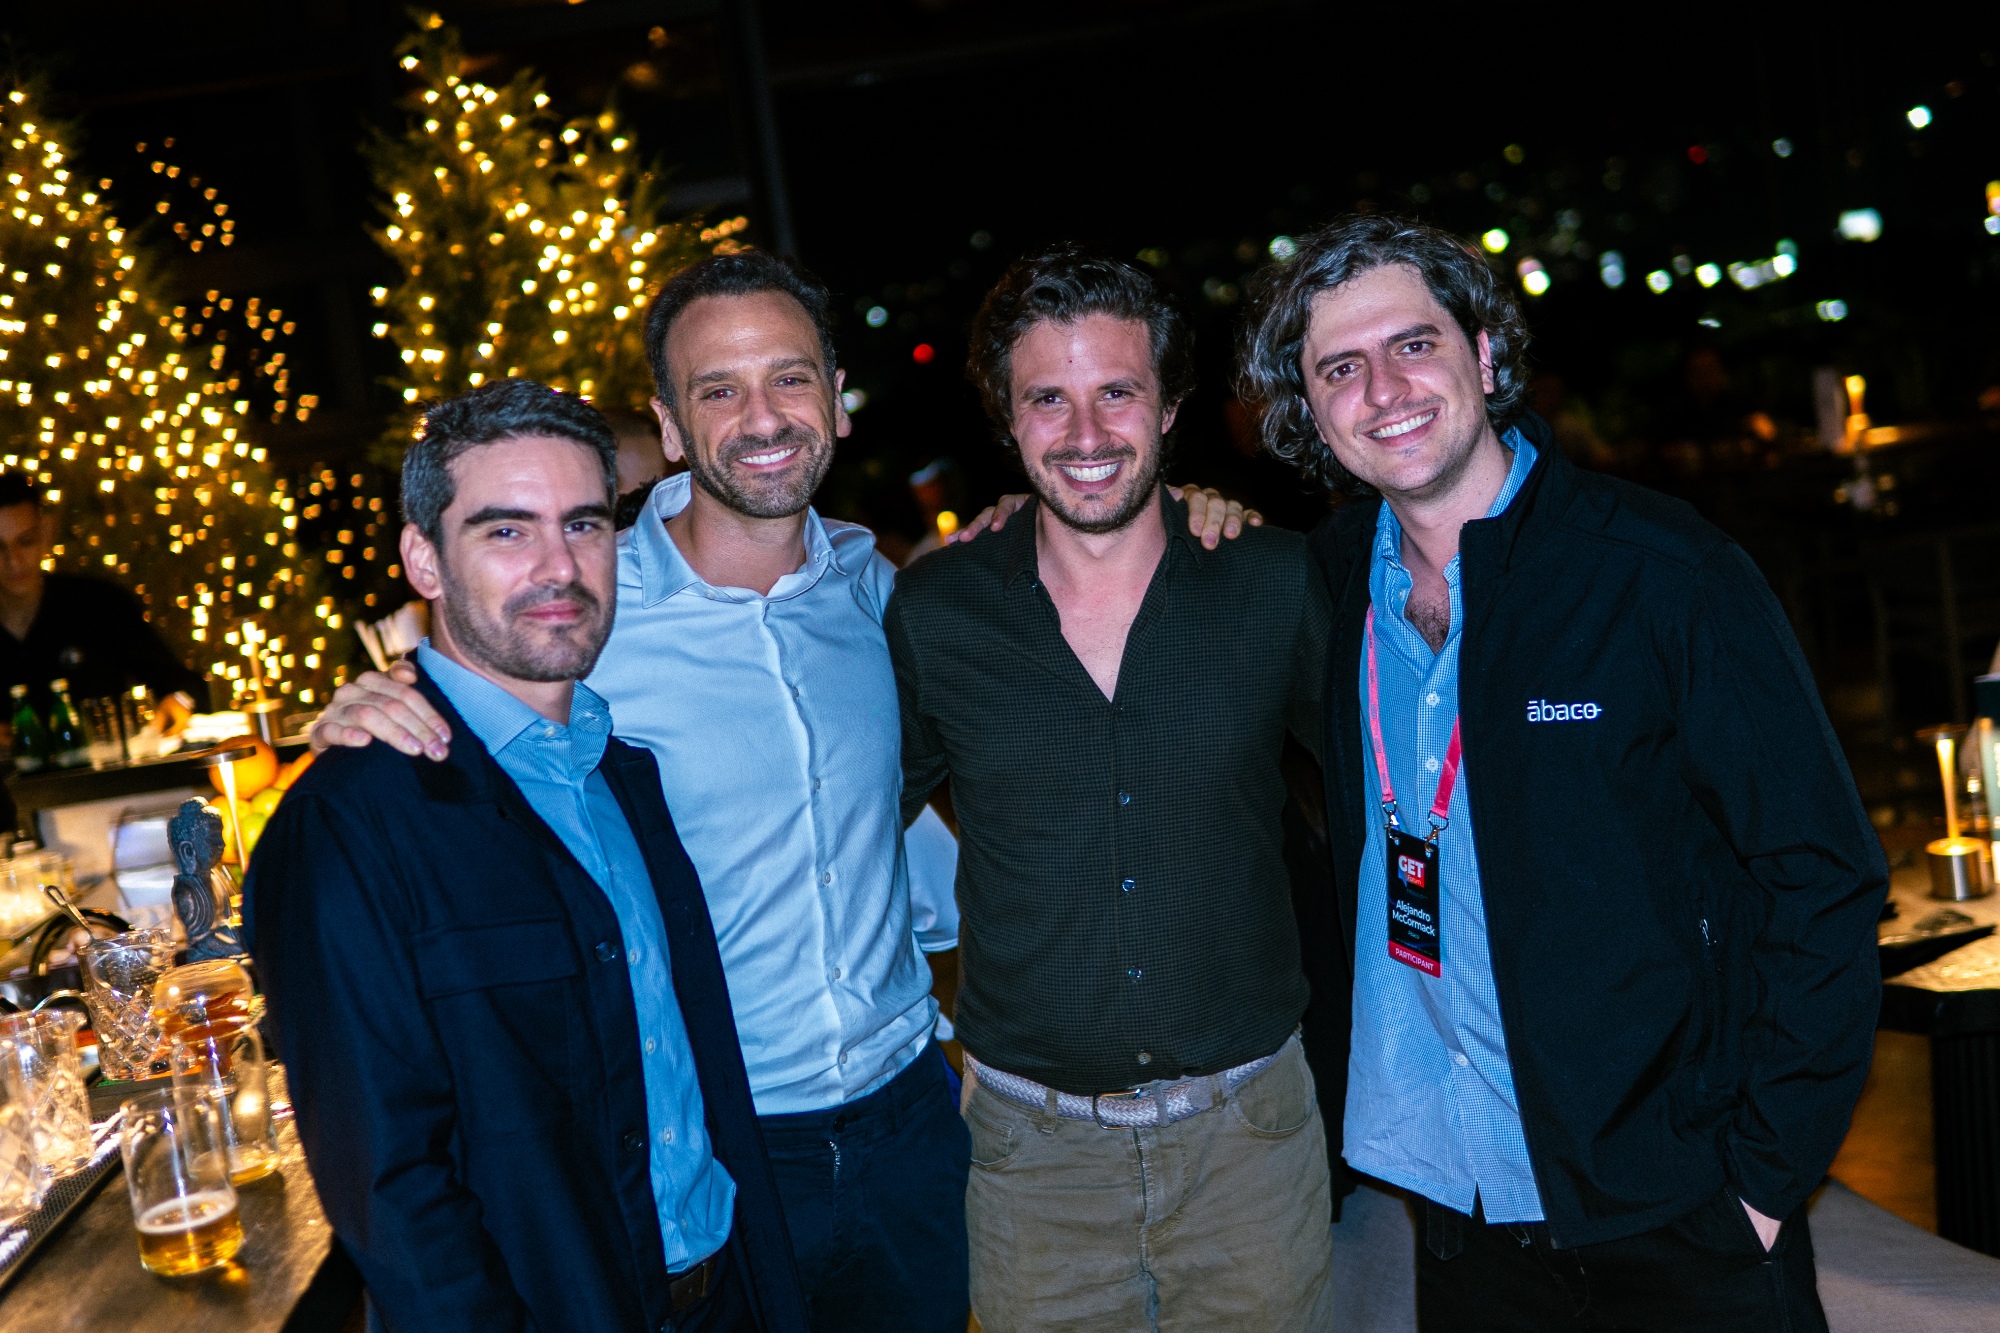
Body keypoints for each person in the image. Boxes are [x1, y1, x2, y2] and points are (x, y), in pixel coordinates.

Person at [1228, 215, 1886, 1331]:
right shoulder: (1328, 582)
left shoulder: (1661, 573)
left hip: (1676, 1207)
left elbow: (1822, 876)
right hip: (1462, 1211)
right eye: (1339, 367)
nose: (1383, 389)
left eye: (1414, 344)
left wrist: (1762, 1181)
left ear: (1484, 354)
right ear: (1309, 411)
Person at [305, 253, 969, 1333]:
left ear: (837, 399)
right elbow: (469, 704)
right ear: (668, 425)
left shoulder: (879, 589)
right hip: (723, 1147)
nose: (763, 417)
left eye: (790, 378)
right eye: (719, 389)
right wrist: (372, 703)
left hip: (910, 1129)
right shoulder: (587, 607)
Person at [244, 380, 809, 1333]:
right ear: (424, 559)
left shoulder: (621, 774)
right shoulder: (349, 821)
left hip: (723, 1293)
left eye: (584, 525)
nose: (560, 566)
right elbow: (391, 1188)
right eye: (506, 531)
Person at [887, 245, 1336, 1331]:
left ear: (1170, 408)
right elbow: (842, 818)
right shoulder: (938, 612)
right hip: (1031, 1161)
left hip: (1250, 1140)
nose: (1085, 434)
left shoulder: (1273, 582)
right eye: (1048, 398)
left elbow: (1391, 790)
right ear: (1007, 420)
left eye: (1117, 393)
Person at [0, 470, 207, 713]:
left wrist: (179, 701)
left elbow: (180, 682)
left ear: (46, 532)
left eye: (26, 542)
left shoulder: (98, 605)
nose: (14, 561)